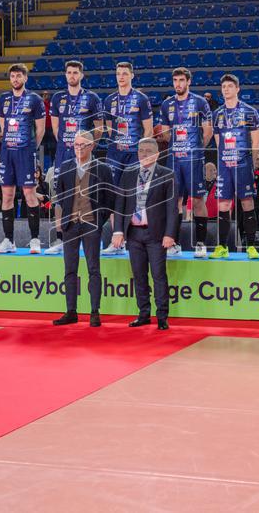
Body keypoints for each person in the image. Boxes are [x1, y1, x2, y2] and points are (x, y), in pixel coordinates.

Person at [110, 137, 178, 331]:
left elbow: (172, 208)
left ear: (157, 154)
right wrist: (118, 230)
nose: (144, 154)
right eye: (141, 150)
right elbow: (120, 203)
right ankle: (143, 314)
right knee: (139, 276)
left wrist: (169, 234)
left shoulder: (167, 174)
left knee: (158, 276)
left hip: (156, 234)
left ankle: (162, 316)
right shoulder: (129, 173)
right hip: (133, 234)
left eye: (148, 150)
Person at [51, 131, 114, 328]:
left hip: (91, 224)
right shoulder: (66, 167)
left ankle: (95, 312)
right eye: (76, 145)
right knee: (70, 270)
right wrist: (64, 218)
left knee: (93, 269)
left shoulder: (102, 169)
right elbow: (60, 194)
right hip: (70, 225)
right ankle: (71, 311)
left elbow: (109, 199)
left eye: (83, 145)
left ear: (92, 146)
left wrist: (98, 221)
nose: (79, 148)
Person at [47, 60, 104, 254]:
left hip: (85, 155)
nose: (72, 76)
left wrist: (87, 146)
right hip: (63, 153)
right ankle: (60, 238)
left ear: (81, 75)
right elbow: (56, 129)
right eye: (69, 72)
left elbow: (99, 128)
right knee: (59, 197)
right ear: (65, 75)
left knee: (87, 194)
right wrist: (69, 144)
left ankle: (91, 236)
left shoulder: (92, 98)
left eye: (75, 73)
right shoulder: (57, 98)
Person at [159, 67, 213, 257]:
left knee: (197, 200)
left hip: (193, 159)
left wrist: (198, 148)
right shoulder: (167, 105)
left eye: (181, 80)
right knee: (174, 202)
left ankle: (200, 244)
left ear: (188, 81)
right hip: (174, 159)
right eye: (175, 81)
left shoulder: (200, 102)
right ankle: (175, 243)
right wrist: (174, 139)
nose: (178, 84)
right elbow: (165, 132)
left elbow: (208, 130)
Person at [101, 61, 153, 255]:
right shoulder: (109, 100)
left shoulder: (141, 99)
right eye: (118, 73)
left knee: (134, 196)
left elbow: (148, 129)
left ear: (132, 75)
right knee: (114, 196)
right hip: (115, 154)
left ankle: (134, 240)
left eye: (124, 73)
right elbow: (108, 128)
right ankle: (117, 242)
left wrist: (144, 153)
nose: (121, 76)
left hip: (134, 154)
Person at [0, 64, 46, 253]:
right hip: (7, 153)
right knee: (6, 196)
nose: (15, 79)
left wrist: (31, 147)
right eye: (12, 76)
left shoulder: (34, 99)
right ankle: (8, 240)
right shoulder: (3, 99)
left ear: (25, 78)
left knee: (30, 195)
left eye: (19, 76)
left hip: (26, 152)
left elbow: (40, 129)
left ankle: (34, 240)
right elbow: (3, 126)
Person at [209, 73, 259, 259]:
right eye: (223, 87)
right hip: (225, 164)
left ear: (237, 89)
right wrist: (225, 159)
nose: (226, 90)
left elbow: (256, 141)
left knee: (247, 203)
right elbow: (218, 143)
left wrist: (252, 162)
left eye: (230, 86)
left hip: (243, 164)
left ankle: (251, 247)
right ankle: (222, 246)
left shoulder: (249, 112)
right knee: (223, 204)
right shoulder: (217, 114)